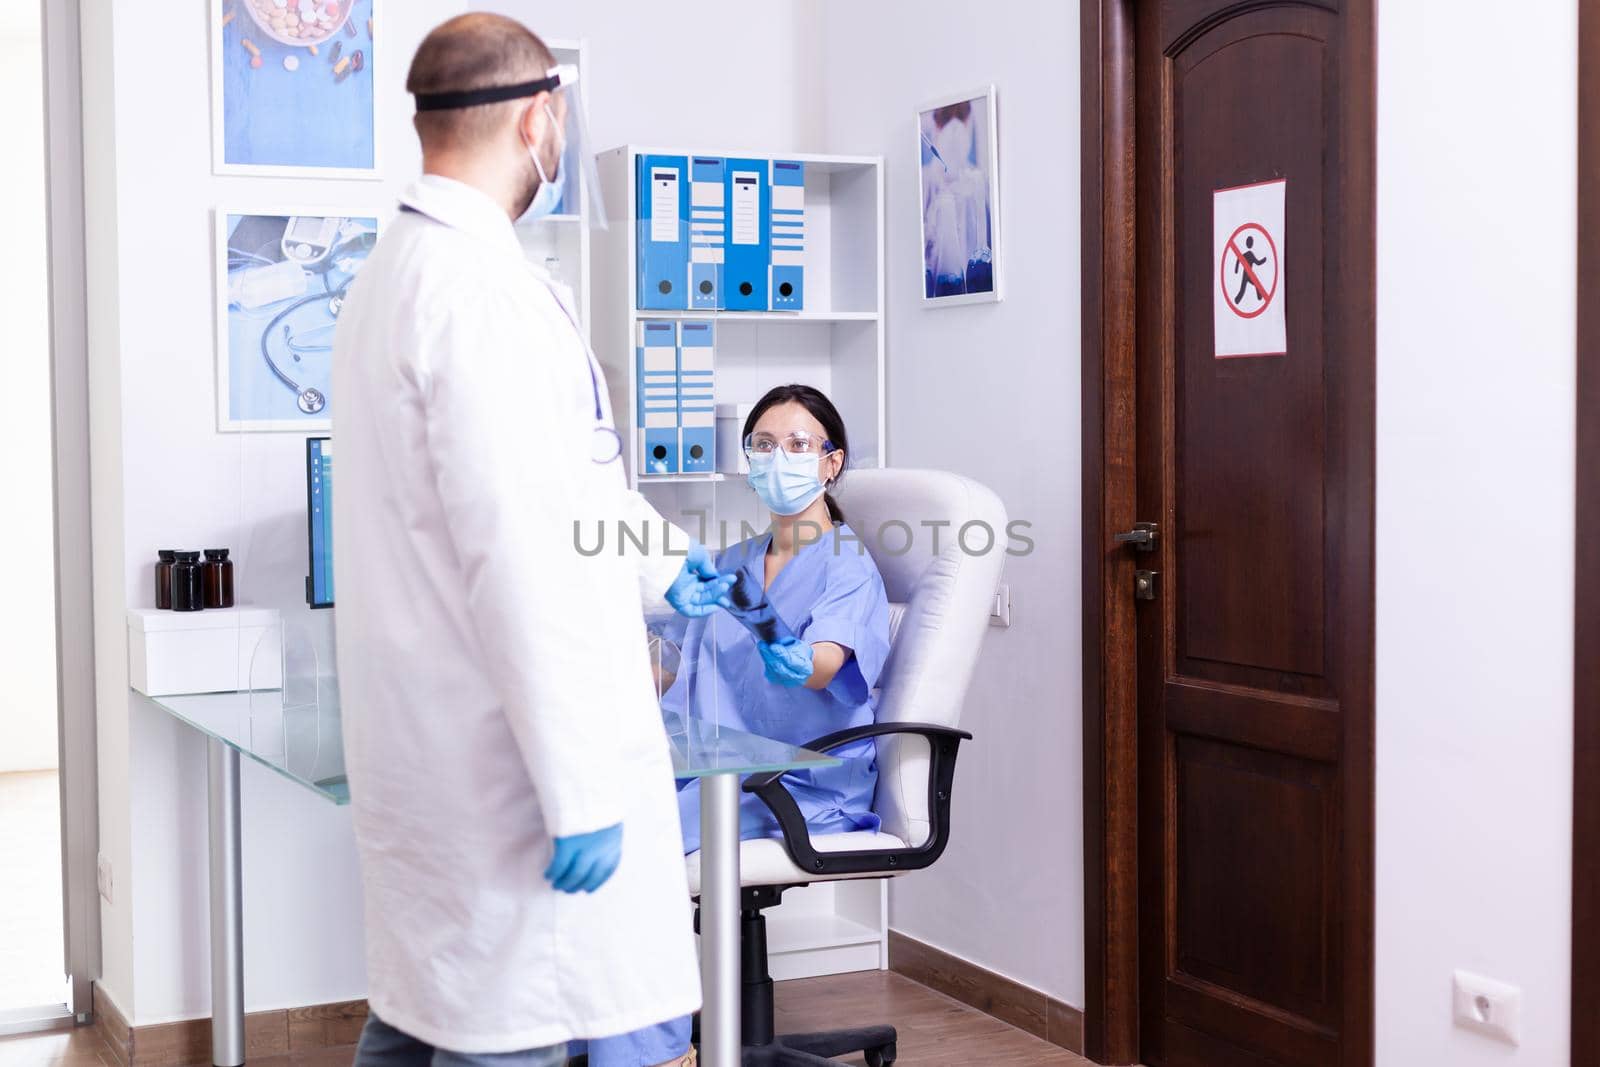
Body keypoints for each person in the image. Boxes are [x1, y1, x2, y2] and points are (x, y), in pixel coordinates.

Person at [330, 15, 729, 1067]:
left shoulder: (394, 278)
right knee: (505, 1020)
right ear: (537, 115)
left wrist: (666, 559)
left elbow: (561, 487)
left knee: (429, 1016)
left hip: (443, 759)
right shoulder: (481, 294)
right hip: (513, 780)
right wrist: (584, 793)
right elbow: (521, 559)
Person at [577, 385, 892, 1067]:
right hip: (718, 769)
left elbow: (825, 663)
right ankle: (584, 1030)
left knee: (631, 845)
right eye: (763, 445)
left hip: (798, 785)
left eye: (799, 445)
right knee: (576, 815)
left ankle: (655, 1053)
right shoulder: (732, 561)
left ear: (832, 464)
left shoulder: (848, 565)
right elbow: (680, 668)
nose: (779, 459)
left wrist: (791, 650)